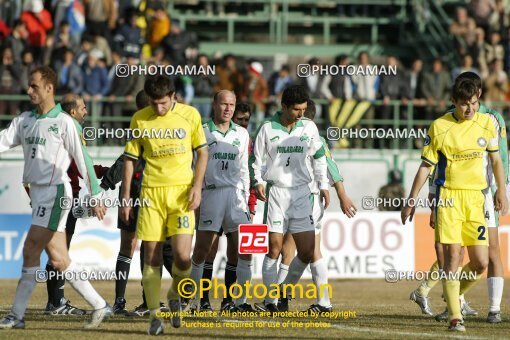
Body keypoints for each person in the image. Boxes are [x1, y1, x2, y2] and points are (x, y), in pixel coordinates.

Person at [0, 66, 111, 329]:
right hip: (37, 195)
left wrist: (96, 195)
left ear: (49, 88)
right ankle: (100, 305)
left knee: (29, 250)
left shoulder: (64, 122)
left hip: (56, 193)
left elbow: (84, 159)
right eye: (29, 86)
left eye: (34, 86)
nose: (28, 91)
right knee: (60, 259)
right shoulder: (24, 120)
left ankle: (16, 316)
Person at [401, 78, 508, 332]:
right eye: (464, 105)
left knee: (481, 262)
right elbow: (426, 167)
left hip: (477, 199)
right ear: (454, 102)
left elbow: (496, 162)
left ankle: (450, 297)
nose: (469, 109)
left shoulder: (486, 123)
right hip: (449, 199)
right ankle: (455, 317)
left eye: (473, 103)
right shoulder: (439, 126)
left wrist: (501, 190)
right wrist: (411, 200)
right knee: (451, 260)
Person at [120, 75, 208, 335]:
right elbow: (129, 158)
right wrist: (126, 196)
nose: (159, 109)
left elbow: (202, 152)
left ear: (174, 97)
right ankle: (155, 317)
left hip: (181, 194)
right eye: (155, 103)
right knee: (152, 255)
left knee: (182, 257)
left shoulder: (190, 115)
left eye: (164, 103)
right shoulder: (140, 119)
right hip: (150, 194)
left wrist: (197, 186)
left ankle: (174, 295)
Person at [250, 85, 329, 313]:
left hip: (302, 193)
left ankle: (283, 291)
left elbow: (319, 156)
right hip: (277, 193)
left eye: (303, 109)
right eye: (296, 109)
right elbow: (255, 162)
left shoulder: (309, 127)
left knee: (307, 251)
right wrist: (258, 182)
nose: (301, 114)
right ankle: (270, 301)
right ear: (284, 106)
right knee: (274, 248)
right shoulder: (266, 129)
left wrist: (323, 185)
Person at [276, 99, 357, 313]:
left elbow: (330, 166)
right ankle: (296, 296)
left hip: (308, 199)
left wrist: (342, 194)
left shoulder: (314, 138)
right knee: (302, 250)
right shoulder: (292, 136)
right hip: (299, 197)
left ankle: (289, 296)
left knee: (305, 251)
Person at [102, 90, 173, 316]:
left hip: (133, 195)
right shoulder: (148, 128)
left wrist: (104, 185)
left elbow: (125, 159)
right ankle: (146, 301)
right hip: (146, 195)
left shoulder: (141, 127)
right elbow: (127, 160)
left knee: (129, 247)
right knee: (150, 248)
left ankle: (122, 302)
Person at [44, 93, 109, 316]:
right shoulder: (71, 127)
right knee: (60, 252)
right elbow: (81, 165)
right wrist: (98, 186)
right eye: (82, 107)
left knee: (58, 249)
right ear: (73, 111)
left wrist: (103, 172)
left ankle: (55, 301)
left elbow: (78, 164)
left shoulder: (56, 125)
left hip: (56, 194)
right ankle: (56, 302)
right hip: (64, 194)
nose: (86, 111)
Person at [189, 90, 254, 312]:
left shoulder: (242, 134)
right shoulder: (202, 131)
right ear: (214, 104)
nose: (228, 109)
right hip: (212, 194)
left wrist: (246, 200)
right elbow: (194, 167)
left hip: (236, 195)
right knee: (203, 250)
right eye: (224, 104)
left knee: (246, 249)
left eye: (232, 105)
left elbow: (245, 169)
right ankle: (195, 300)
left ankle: (239, 302)